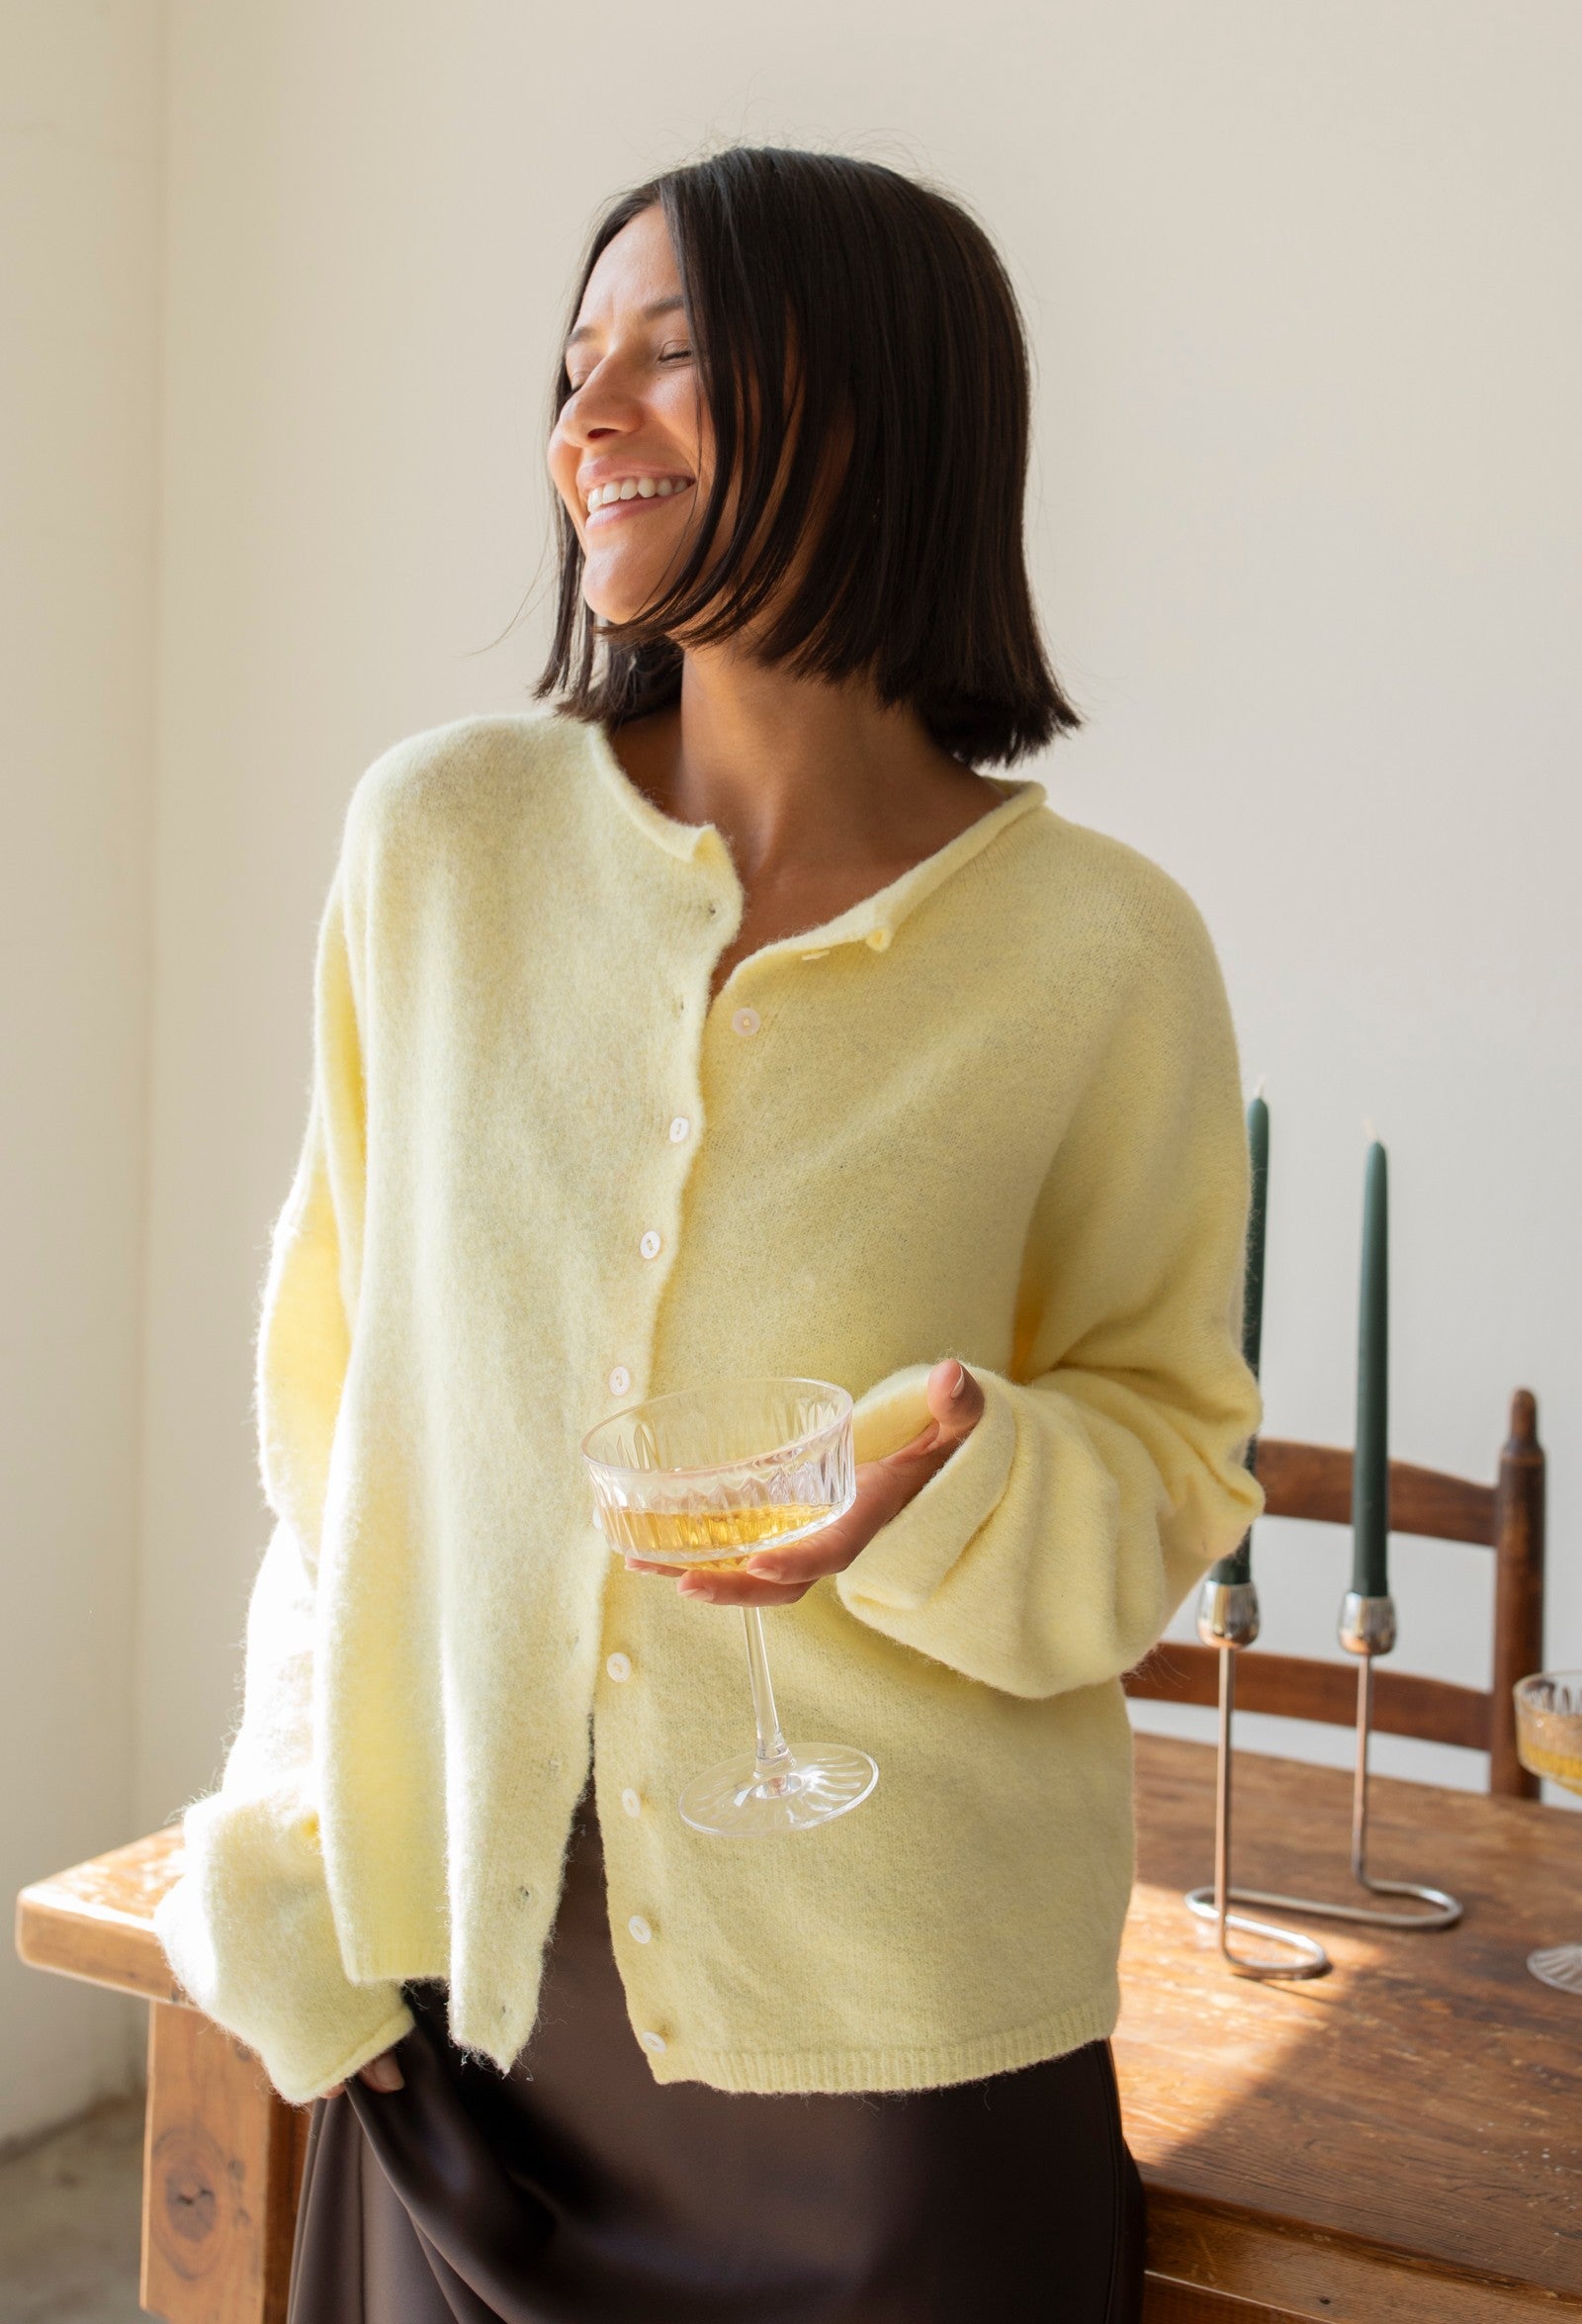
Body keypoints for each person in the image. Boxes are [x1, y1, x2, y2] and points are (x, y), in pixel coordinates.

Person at [154, 144, 1264, 2323]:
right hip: (469, 2028)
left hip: (902, 2081)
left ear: (879, 413)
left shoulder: (1101, 951)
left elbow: (1161, 1472)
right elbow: (337, 1437)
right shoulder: (440, 847)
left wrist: (939, 1486)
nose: (588, 421)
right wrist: (287, 1887)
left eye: (674, 357)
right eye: (573, 368)